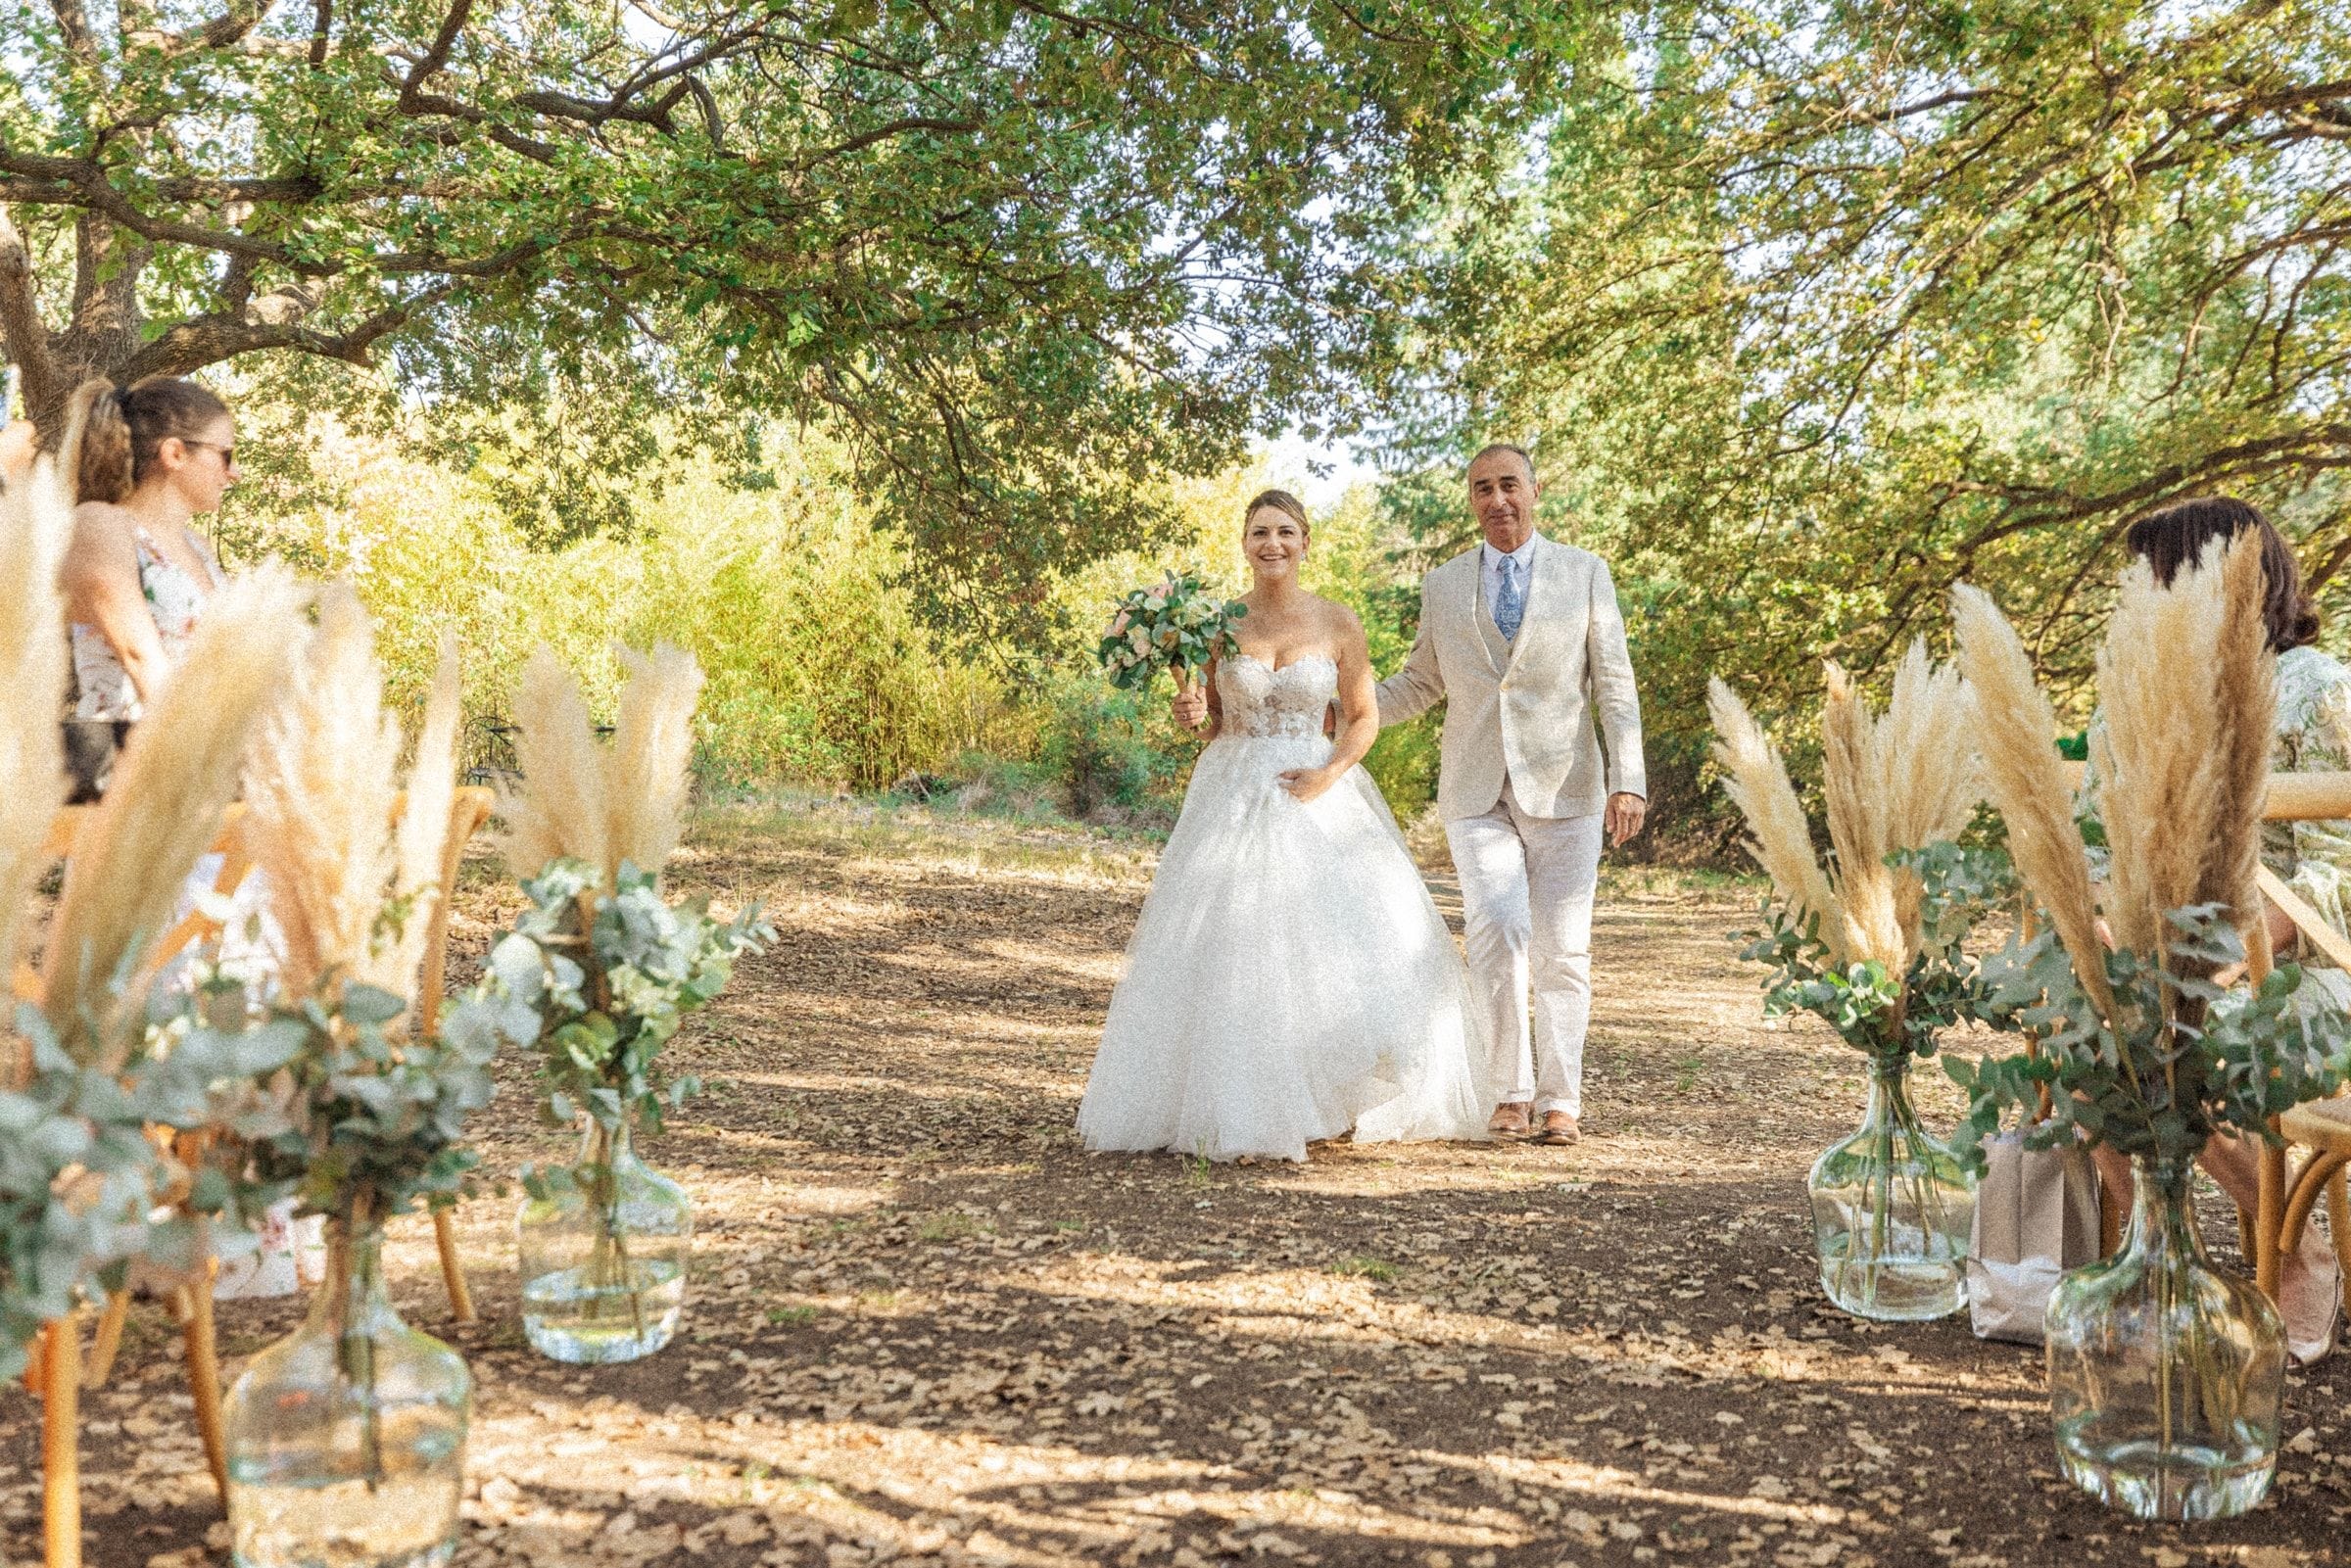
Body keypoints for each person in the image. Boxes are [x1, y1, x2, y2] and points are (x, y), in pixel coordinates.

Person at [1080, 490, 1489, 1162]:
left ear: (1305, 542)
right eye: (1260, 532)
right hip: (1231, 791)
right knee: (1231, 947)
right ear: (1244, 544)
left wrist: (1328, 775)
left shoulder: (1336, 621)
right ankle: (1240, 1102)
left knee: (1328, 950)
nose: (1273, 543)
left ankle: (1322, 1095)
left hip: (1316, 790)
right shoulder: (1214, 624)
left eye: (1286, 532)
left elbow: (1363, 715)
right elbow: (1210, 718)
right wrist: (1188, 717)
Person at [54, 375, 320, 1298]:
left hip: (220, 800)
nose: (234, 472)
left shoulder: (198, 546)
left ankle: (229, 1245)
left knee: (238, 1000)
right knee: (157, 1006)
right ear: (174, 452)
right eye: (226, 453)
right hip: (139, 795)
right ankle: (132, 1248)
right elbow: (138, 653)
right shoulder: (99, 524)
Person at [2089, 495, 2349, 1363]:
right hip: (2182, 955)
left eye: (2158, 573)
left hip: (2299, 963)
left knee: (2184, 1038)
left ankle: (2296, 1253)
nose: (2147, 592)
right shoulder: (2165, 695)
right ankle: (2161, 1265)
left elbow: (2337, 867)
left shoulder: (2317, 686)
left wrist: (2241, 959)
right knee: (2083, 1025)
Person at [1353, 444, 1646, 1146]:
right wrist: (1342, 708)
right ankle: (1510, 1092)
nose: (1497, 500)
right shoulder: (1444, 584)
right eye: (1482, 488)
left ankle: (1561, 1100)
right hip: (1477, 789)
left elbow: (1614, 682)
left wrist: (1629, 777)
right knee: (1499, 925)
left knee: (1563, 949)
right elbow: (1418, 683)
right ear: (1472, 500)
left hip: (1569, 786)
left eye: (1508, 484)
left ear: (1535, 490)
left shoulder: (1585, 573)